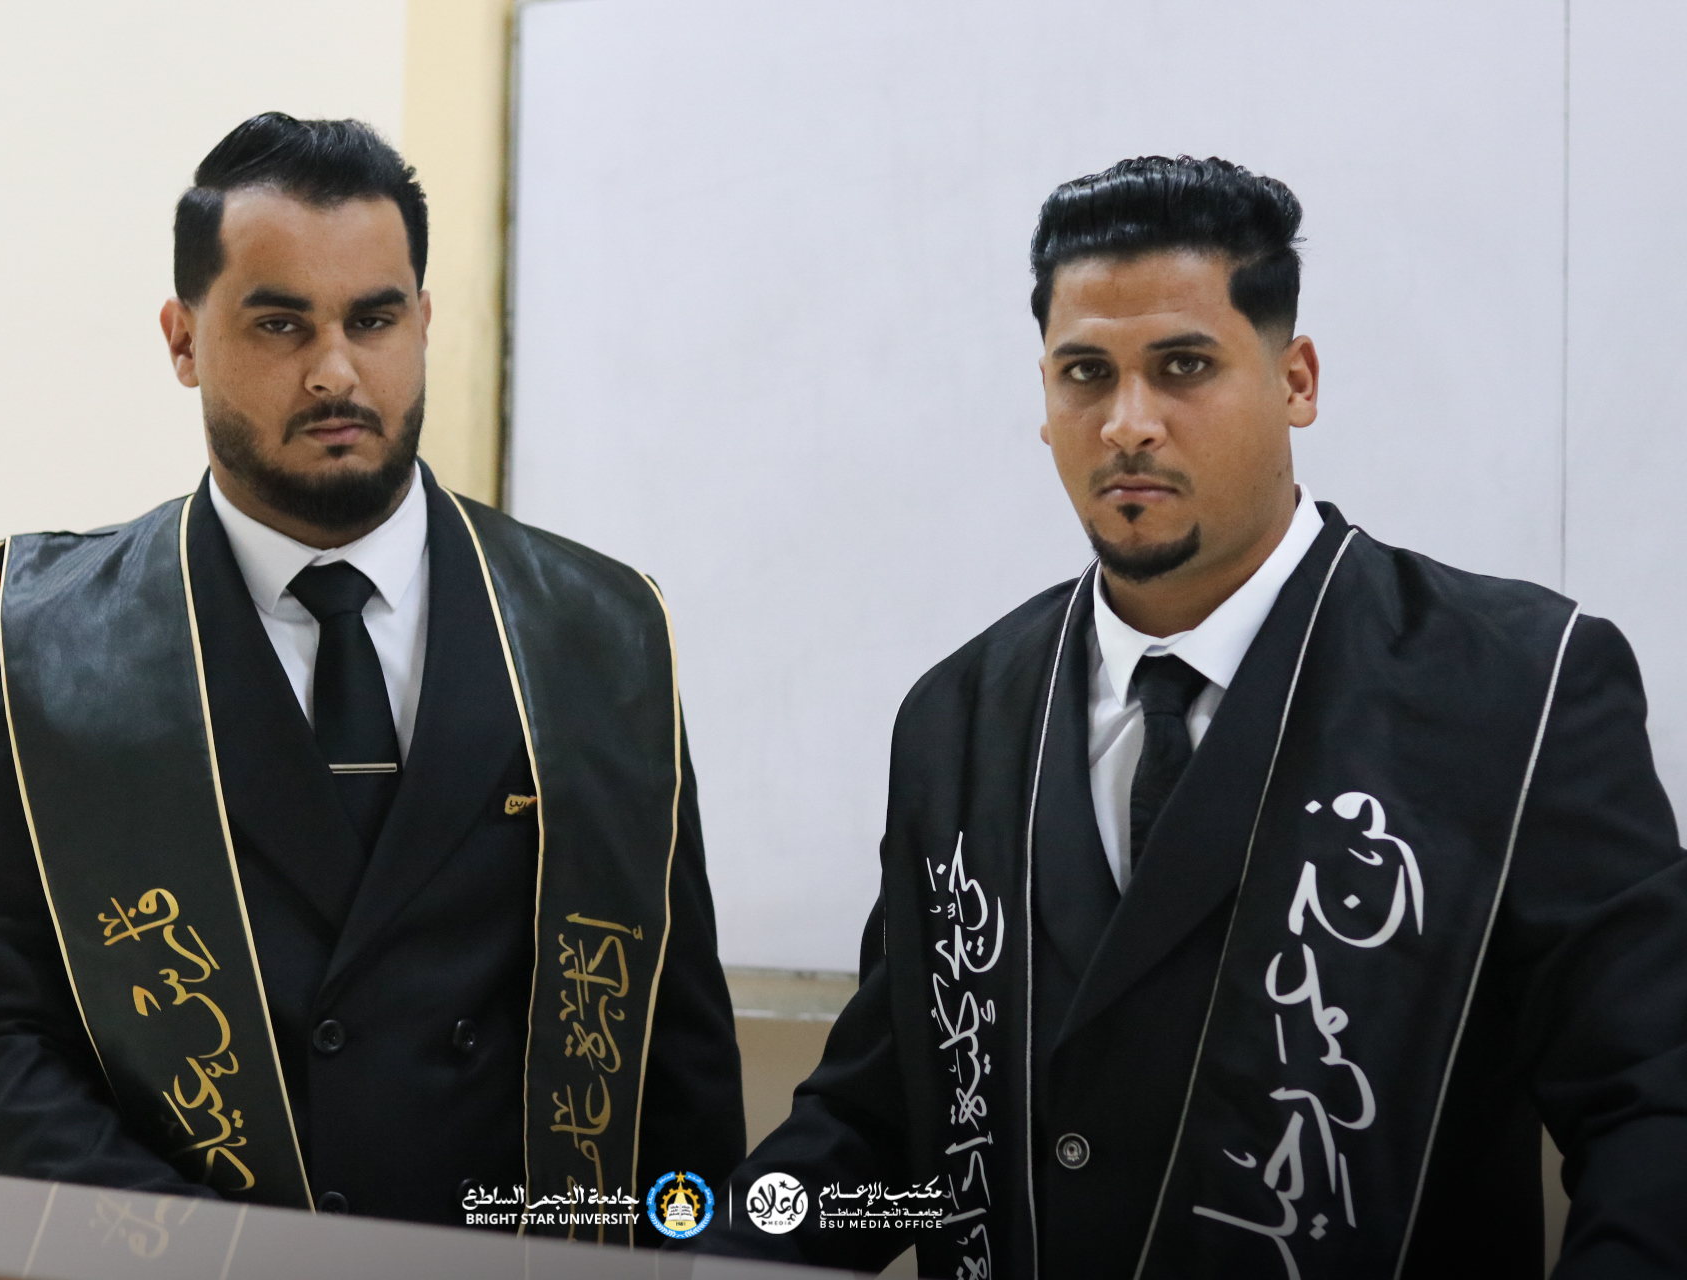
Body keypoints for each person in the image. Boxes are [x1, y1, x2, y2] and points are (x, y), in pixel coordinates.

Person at [700, 157, 1687, 1276]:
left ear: (1296, 380)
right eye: (1086, 373)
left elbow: (1653, 1102)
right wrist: (712, 1260)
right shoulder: (957, 717)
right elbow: (877, 1119)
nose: (1129, 424)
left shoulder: (1520, 687)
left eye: (1183, 366)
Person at [0, 112, 743, 1241]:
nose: (336, 370)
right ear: (183, 340)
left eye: (374, 319)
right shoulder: (44, 644)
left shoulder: (601, 632)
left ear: (424, 324)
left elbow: (675, 1055)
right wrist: (210, 1258)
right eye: (280, 324)